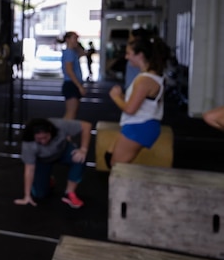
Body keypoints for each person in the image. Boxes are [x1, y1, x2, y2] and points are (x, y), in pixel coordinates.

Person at [107, 34, 171, 167]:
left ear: (140, 55)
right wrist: (123, 98)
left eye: (129, 53)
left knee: (116, 166)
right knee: (110, 157)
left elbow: (130, 109)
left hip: (140, 126)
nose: (126, 57)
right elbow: (143, 103)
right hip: (141, 124)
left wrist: (116, 97)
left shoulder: (145, 80)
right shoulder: (152, 76)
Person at [14, 117, 92, 209]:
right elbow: (29, 169)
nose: (43, 141)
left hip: (62, 152)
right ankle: (48, 180)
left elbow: (87, 126)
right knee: (39, 194)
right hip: (43, 160)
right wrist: (27, 196)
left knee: (80, 158)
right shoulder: (28, 144)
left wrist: (83, 149)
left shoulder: (60, 125)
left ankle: (69, 193)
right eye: (39, 139)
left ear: (50, 131)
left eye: (45, 137)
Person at [59, 31, 86, 119]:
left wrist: (77, 45)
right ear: (68, 40)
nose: (76, 41)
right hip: (71, 84)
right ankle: (65, 132)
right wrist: (79, 86)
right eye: (74, 38)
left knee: (72, 113)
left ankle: (68, 132)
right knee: (71, 113)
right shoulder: (69, 52)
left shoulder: (72, 52)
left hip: (72, 84)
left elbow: (83, 53)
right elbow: (69, 71)